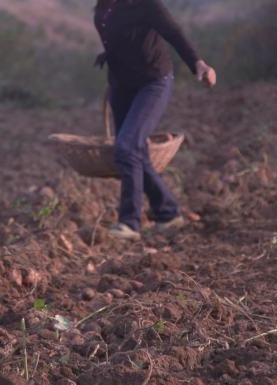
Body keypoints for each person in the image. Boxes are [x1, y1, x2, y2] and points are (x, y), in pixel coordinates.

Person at [93, 0, 217, 240]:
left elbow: (174, 33)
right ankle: (168, 213)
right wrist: (109, 54)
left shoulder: (146, 4)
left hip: (153, 82)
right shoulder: (103, 6)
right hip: (121, 86)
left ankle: (129, 223)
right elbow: (117, 33)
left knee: (126, 147)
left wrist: (198, 63)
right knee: (135, 151)